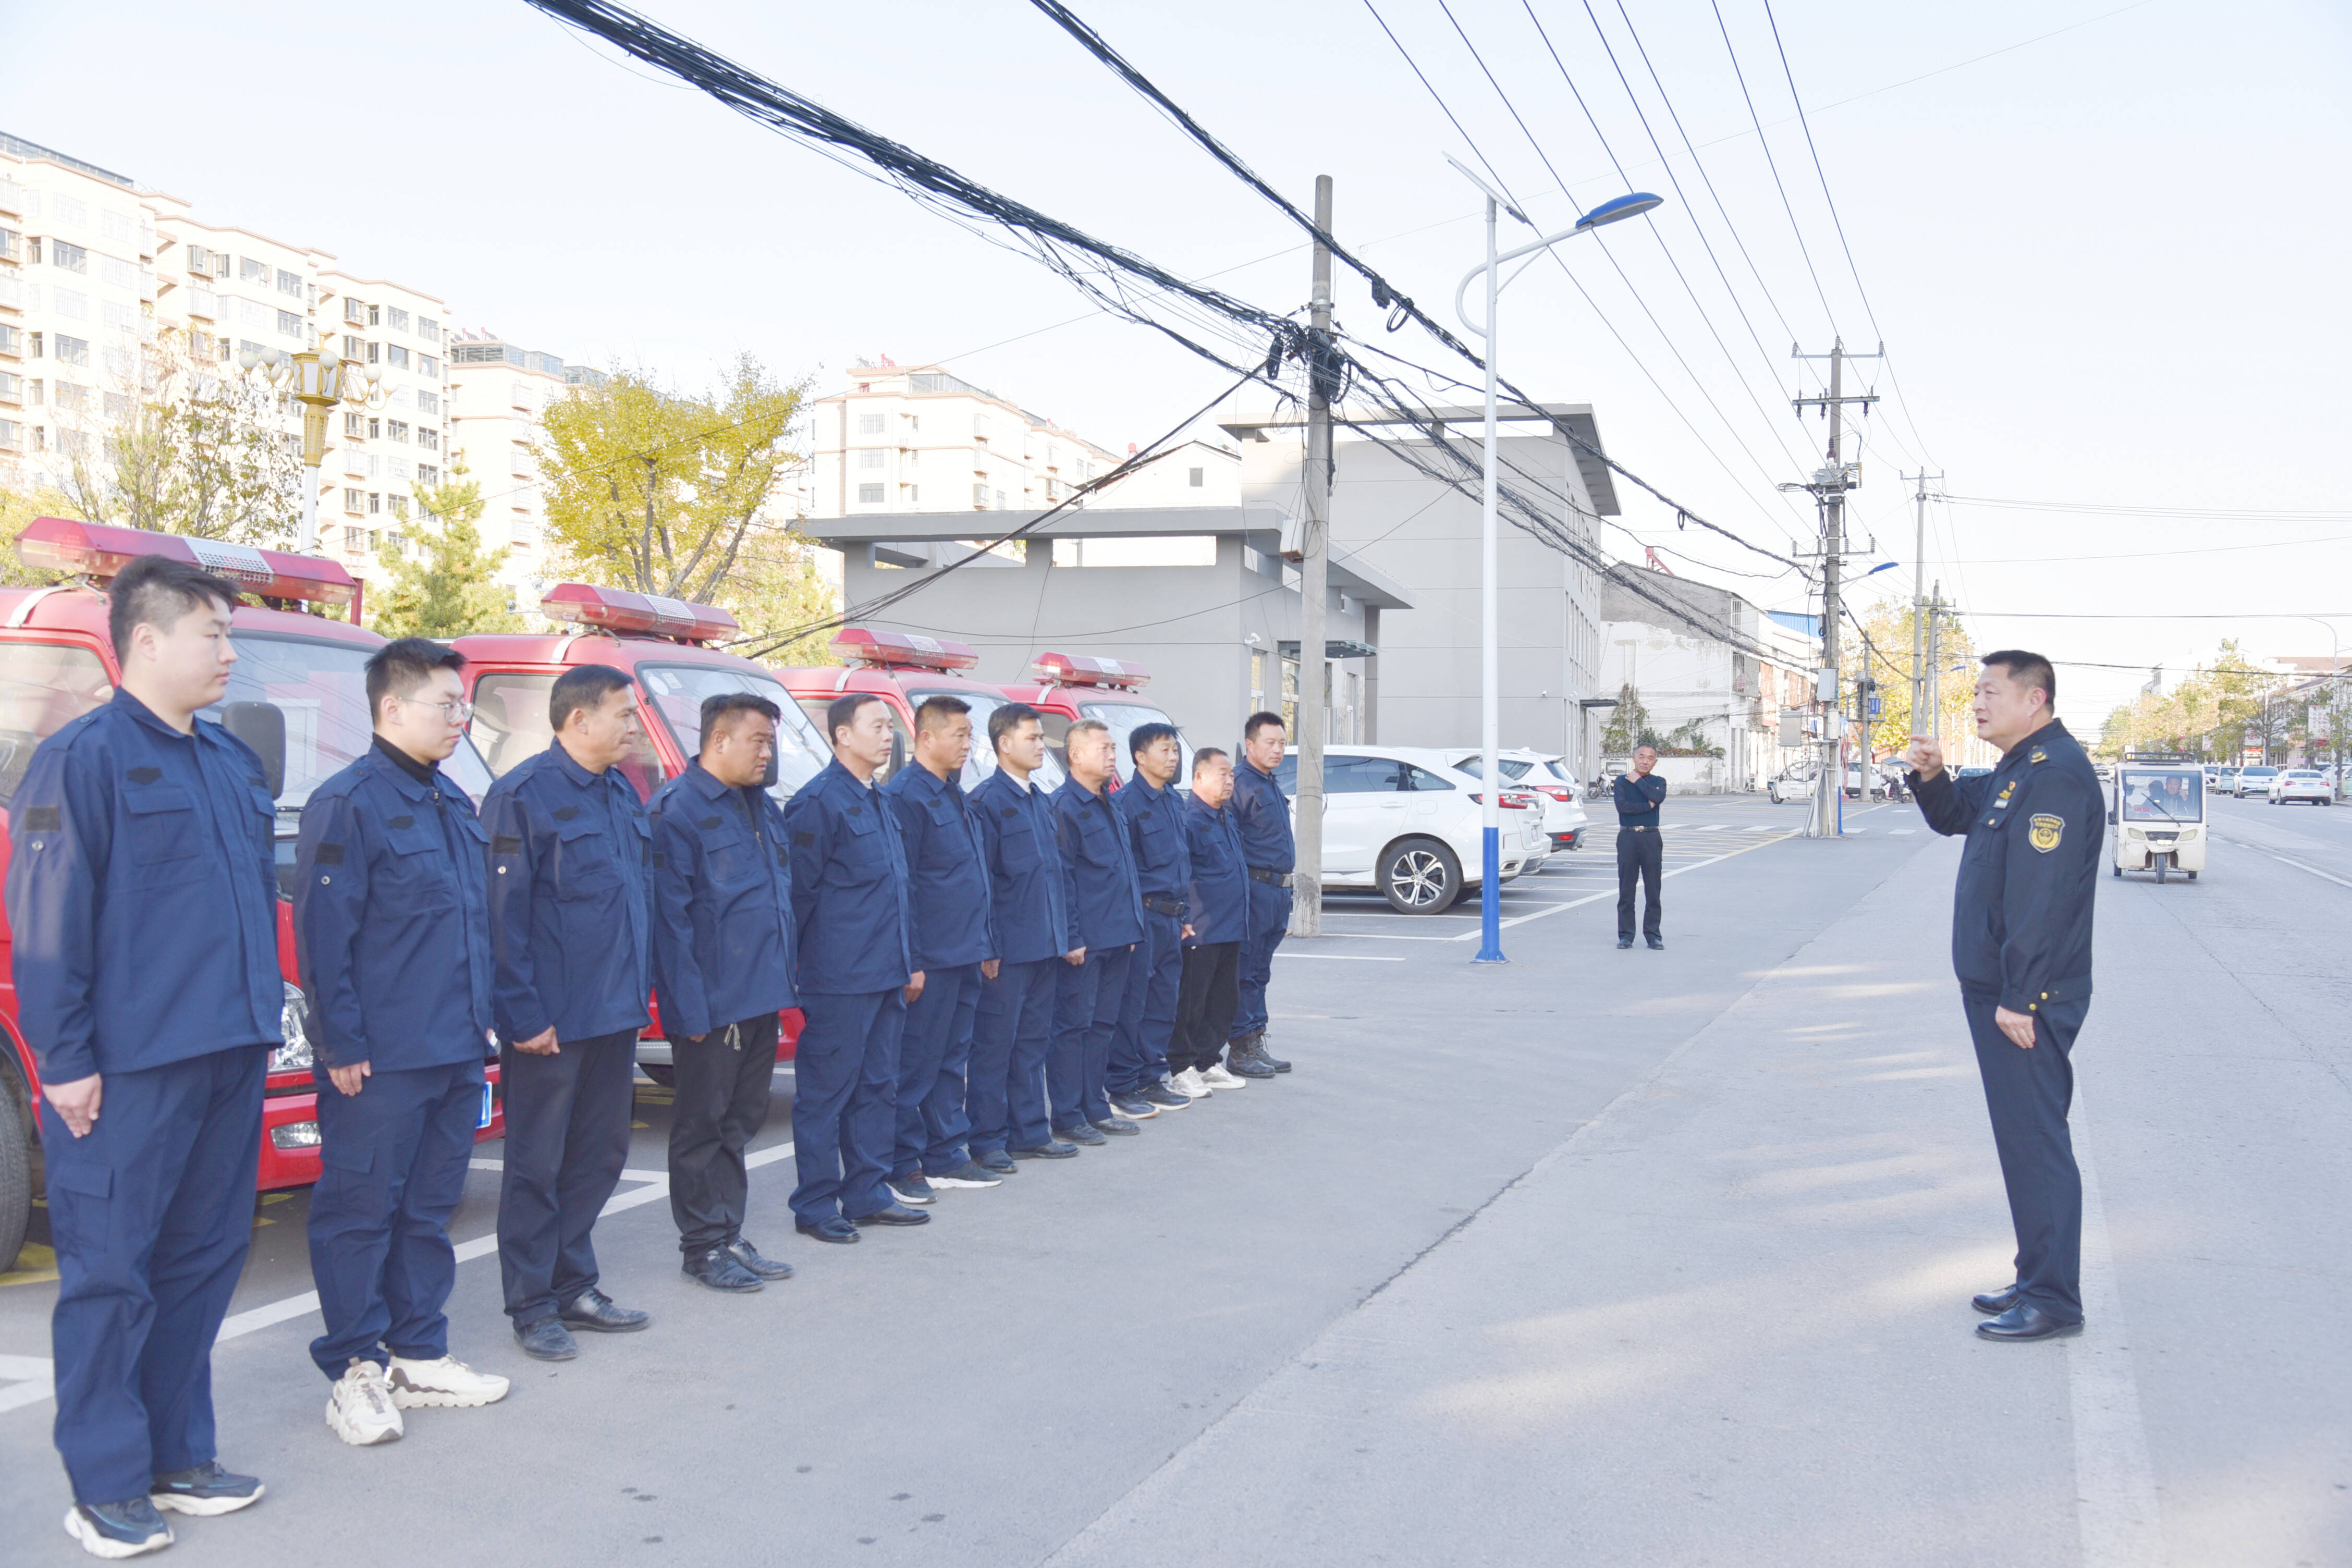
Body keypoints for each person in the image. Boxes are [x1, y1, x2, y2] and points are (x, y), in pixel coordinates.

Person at [8, 555, 277, 1556]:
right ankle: (108, 1483)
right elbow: (46, 919)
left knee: (202, 1260)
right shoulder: (79, 759)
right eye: (214, 633)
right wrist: (64, 1058)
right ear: (149, 639)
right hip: (129, 1067)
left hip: (228, 1049)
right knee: (112, 1274)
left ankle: (178, 1455)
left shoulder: (228, 760)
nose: (230, 651)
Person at [293, 638, 508, 1449]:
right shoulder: (347, 803)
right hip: (380, 1057)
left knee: (427, 1209)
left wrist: (484, 1024)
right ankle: (355, 1367)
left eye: (464, 705)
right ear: (391, 708)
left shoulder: (449, 800)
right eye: (446, 705)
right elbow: (325, 933)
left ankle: (418, 1352)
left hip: (453, 1045)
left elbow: (471, 928)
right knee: (359, 1211)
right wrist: (340, 1042)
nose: (460, 719)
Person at [1907, 650, 2102, 1342]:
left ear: (2035, 699)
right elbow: (1956, 813)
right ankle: (2036, 1274)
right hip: (2000, 989)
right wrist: (1932, 774)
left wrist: (2021, 995)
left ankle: (2054, 1299)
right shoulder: (2020, 770)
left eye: (1991, 692)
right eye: (1977, 692)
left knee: (2035, 1141)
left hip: (2026, 999)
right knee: (2022, 1143)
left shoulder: (2057, 777)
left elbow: (2043, 900)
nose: (1978, 703)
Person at [483, 664, 657, 1362]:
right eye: (623, 713)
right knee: (537, 1165)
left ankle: (573, 1284)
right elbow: (502, 918)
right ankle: (532, 1305)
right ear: (579, 719)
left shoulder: (620, 790)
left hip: (612, 1010)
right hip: (552, 1020)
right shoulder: (522, 796)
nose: (634, 725)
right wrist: (522, 1014)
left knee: (600, 1155)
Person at [648, 692, 799, 1293]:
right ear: (718, 740)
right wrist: (689, 1011)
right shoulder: (677, 811)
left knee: (739, 1123)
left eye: (771, 742)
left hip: (761, 993)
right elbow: (671, 922)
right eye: (758, 741)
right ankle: (703, 1245)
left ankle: (729, 1231)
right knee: (701, 1127)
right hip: (713, 1005)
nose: (768, 753)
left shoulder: (761, 808)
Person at [781, 693, 926, 1239]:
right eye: (877, 726)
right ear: (843, 734)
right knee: (827, 1094)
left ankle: (868, 1191)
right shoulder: (818, 803)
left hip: (887, 971)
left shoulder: (879, 799)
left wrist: (911, 961)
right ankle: (817, 1204)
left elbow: (901, 891)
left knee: (878, 1087)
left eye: (890, 727)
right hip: (839, 978)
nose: (889, 736)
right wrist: (797, 974)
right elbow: (798, 897)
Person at [879, 696, 1004, 1203]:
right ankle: (901, 1162)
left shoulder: (955, 794)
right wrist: (912, 961)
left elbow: (975, 876)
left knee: (952, 1061)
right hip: (932, 957)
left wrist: (987, 942)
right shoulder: (906, 796)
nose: (967, 744)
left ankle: (947, 1152)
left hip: (965, 950)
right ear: (926, 737)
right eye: (959, 734)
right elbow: (904, 886)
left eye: (969, 735)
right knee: (916, 1063)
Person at [966, 703, 1083, 1165]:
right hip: (1008, 949)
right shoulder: (987, 802)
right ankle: (987, 1139)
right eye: (1032, 738)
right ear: (1004, 744)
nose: (1040, 746)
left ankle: (1029, 1131)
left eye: (1040, 738)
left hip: (1044, 945)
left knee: (1032, 1043)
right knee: (994, 1047)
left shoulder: (1040, 800)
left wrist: (1065, 936)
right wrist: (988, 946)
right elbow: (983, 883)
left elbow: (1058, 875)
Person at [1047, 719, 1147, 1146]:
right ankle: (1068, 1115)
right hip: (1085, 941)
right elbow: (1062, 878)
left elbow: (1123, 871)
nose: (1112, 755)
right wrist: (1071, 937)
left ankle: (1095, 1107)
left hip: (1117, 934)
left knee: (1104, 1025)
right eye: (1103, 748)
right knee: (1073, 1028)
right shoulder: (1064, 807)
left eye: (1112, 748)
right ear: (1075, 755)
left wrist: (1131, 926)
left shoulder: (1110, 803)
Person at [1107, 723, 1196, 1119]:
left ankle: (1151, 1076)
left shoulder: (1173, 801)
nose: (1173, 757)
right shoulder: (1125, 803)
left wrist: (1185, 913)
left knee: (1163, 1002)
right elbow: (1122, 871)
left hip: (1171, 918)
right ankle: (1123, 1084)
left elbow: (1181, 863)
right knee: (1133, 1004)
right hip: (1143, 916)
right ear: (1140, 757)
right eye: (1165, 750)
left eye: (1175, 750)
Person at [1171, 749, 1251, 1099]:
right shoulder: (1189, 820)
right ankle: (1181, 1067)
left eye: (1232, 775)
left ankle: (1207, 1061)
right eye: (1223, 774)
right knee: (1192, 1002)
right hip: (1201, 928)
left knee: (1223, 1000)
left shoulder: (1225, 817)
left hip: (1230, 925)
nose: (1230, 780)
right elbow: (1180, 874)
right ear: (1199, 777)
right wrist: (1184, 917)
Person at [1226, 714, 1293, 1076]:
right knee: (1246, 971)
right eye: (1270, 742)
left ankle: (1256, 1036)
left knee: (1260, 971)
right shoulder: (1239, 784)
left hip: (1277, 891)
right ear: (1250, 744)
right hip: (1254, 889)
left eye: (1282, 743)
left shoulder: (1269, 782)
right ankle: (1240, 1048)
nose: (1278, 749)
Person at [1613, 744, 1667, 950]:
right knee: (1626, 889)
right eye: (1642, 757)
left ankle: (1653, 935)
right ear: (1634, 758)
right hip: (1627, 837)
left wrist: (1638, 781)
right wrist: (1648, 805)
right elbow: (1623, 808)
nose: (1645, 761)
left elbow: (1658, 797)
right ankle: (1626, 935)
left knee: (1653, 889)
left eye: (1650, 758)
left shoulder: (1659, 782)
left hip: (1651, 838)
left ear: (1655, 762)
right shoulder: (1621, 781)